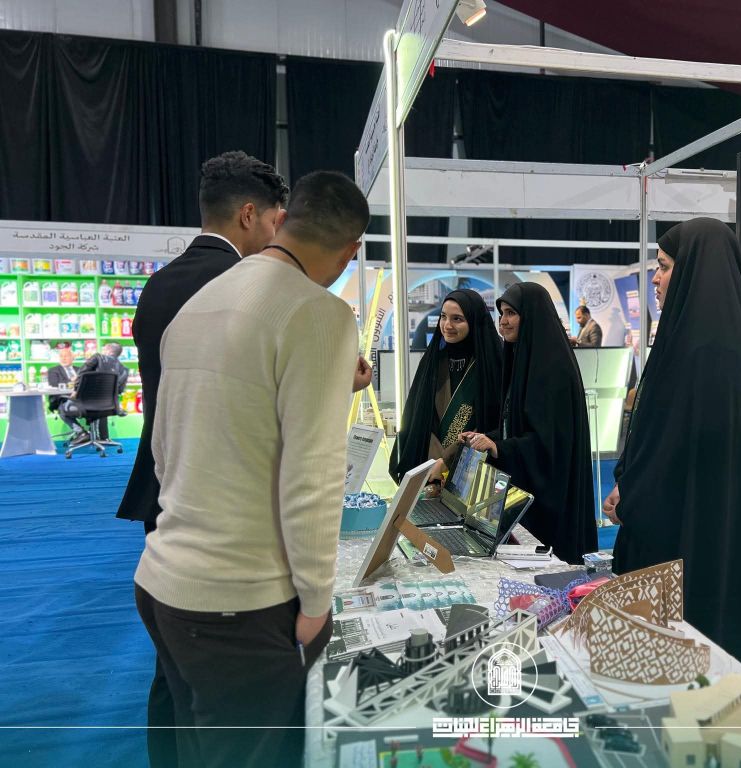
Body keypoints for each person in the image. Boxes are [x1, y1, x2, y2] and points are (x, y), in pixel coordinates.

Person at [133, 170, 367, 768]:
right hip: (237, 603)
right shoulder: (320, 314)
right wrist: (316, 602)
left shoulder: (201, 300)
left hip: (163, 580)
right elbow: (313, 475)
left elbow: (163, 447)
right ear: (351, 251)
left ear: (283, 220)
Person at [113, 151, 289, 768]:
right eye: (275, 222)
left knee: (175, 657)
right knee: (225, 670)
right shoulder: (244, 286)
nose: (278, 236)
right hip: (221, 501)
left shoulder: (161, 282)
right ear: (249, 215)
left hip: (164, 489)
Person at [602, 218, 741, 683]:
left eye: (665, 267)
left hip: (691, 542)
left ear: (692, 271)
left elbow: (680, 453)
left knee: (685, 663)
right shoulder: (726, 341)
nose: (655, 278)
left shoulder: (707, 351)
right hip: (708, 534)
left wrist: (632, 497)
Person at [461, 283, 597, 563]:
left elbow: (551, 445)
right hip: (530, 495)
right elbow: (517, 425)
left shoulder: (552, 369)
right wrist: (488, 439)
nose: (503, 321)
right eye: (501, 313)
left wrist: (499, 448)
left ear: (532, 316)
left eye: (511, 313)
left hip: (552, 504)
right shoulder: (526, 361)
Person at [390, 289, 502, 486]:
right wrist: (434, 460)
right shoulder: (433, 361)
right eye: (443, 317)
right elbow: (417, 417)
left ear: (474, 321)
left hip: (472, 474)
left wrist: (448, 459)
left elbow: (495, 423)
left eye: (457, 319)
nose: (447, 325)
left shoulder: (492, 365)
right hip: (429, 470)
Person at [58, 342, 130, 443]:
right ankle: (102, 437)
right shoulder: (124, 370)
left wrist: (75, 390)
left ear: (108, 351)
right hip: (109, 406)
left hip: (87, 405)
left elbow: (81, 374)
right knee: (100, 405)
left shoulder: (97, 358)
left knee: (62, 408)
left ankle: (81, 433)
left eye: (104, 349)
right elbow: (120, 391)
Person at [46, 343, 79, 412]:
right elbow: (54, 384)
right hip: (62, 399)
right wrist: (72, 380)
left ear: (72, 358)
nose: (63, 358)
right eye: (61, 356)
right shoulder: (53, 370)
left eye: (66, 356)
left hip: (80, 397)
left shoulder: (80, 370)